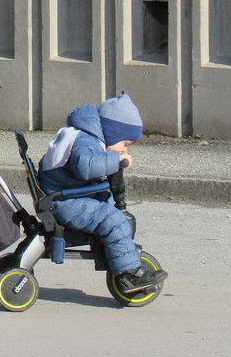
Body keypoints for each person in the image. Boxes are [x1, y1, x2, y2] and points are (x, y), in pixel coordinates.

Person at [37, 92, 168, 293]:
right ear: (112, 133)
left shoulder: (86, 134)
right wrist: (117, 160)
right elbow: (85, 166)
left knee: (106, 205)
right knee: (113, 219)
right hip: (63, 202)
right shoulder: (85, 141)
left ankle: (117, 254)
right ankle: (129, 275)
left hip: (66, 194)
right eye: (125, 144)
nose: (126, 150)